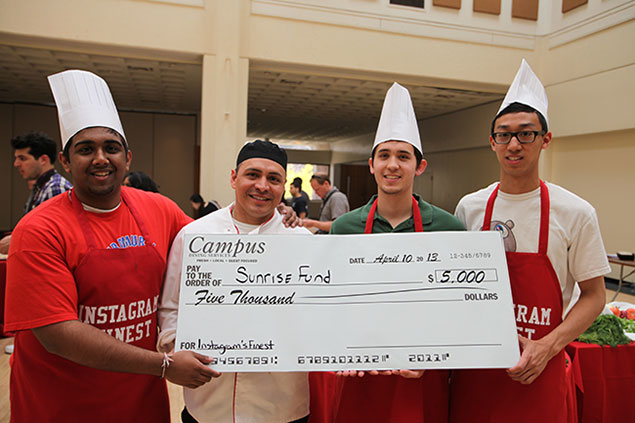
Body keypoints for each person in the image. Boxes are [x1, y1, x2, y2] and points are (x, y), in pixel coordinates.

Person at [4, 69, 218, 423]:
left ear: (128, 158)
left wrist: (273, 217)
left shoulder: (158, 207)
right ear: (66, 161)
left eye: (111, 148)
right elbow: (59, 334)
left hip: (139, 403)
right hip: (60, 405)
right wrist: (163, 365)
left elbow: (215, 252)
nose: (101, 158)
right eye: (86, 149)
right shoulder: (39, 230)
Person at [450, 59, 608, 422]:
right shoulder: (470, 207)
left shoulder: (576, 212)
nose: (514, 144)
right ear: (492, 142)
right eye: (504, 134)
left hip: (541, 370)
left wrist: (548, 346)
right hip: (476, 375)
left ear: (545, 140)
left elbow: (595, 295)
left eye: (526, 133)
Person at [329, 82, 465, 423]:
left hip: (422, 377)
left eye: (403, 156)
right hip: (360, 376)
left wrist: (431, 357)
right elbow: (330, 304)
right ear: (371, 164)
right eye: (384, 155)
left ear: (419, 166)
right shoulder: (343, 227)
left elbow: (460, 311)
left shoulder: (450, 228)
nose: (393, 165)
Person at [159, 140, 311, 423]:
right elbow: (171, 308)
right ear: (234, 178)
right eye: (253, 175)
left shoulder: (302, 244)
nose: (262, 186)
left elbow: (319, 317)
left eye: (274, 179)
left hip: (282, 406)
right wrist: (179, 347)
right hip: (207, 403)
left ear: (283, 186)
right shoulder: (195, 236)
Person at [0, 131, 73, 255]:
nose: (16, 164)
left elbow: (52, 239)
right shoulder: (43, 186)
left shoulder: (55, 188)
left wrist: (16, 239)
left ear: (43, 159)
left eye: (22, 158)